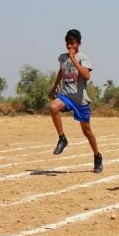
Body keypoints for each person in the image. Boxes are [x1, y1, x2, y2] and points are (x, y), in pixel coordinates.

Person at [48, 29, 103, 173]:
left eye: (72, 43)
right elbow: (61, 71)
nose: (70, 45)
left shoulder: (82, 57)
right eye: (68, 42)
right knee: (53, 107)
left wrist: (74, 59)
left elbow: (86, 76)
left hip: (80, 100)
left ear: (79, 43)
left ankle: (97, 156)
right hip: (66, 95)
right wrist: (54, 88)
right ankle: (62, 138)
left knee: (87, 131)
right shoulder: (62, 58)